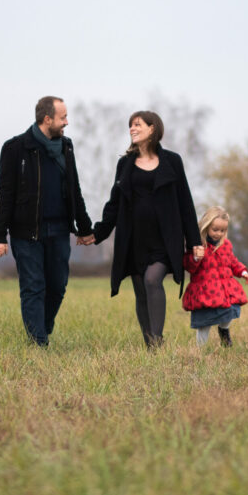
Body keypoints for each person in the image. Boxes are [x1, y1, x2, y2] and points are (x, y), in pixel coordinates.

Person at [91, 110, 203, 348]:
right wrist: (97, 233)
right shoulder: (125, 164)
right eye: (130, 125)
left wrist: (195, 241)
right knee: (141, 291)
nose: (132, 129)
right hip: (133, 240)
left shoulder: (172, 161)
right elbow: (114, 204)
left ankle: (158, 340)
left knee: (153, 280)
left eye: (138, 125)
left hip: (164, 239)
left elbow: (185, 202)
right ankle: (150, 345)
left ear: (153, 129)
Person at [0, 96, 94, 347]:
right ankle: (38, 342)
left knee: (57, 286)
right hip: (27, 232)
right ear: (47, 119)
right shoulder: (15, 148)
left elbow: (74, 189)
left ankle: (42, 329)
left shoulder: (66, 147)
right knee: (33, 286)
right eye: (63, 117)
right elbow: (5, 194)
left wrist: (85, 227)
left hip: (59, 230)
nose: (67, 122)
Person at [182, 206, 248, 347]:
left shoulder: (226, 244)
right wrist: (195, 258)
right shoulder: (197, 245)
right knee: (204, 322)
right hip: (205, 291)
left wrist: (242, 271)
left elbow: (232, 261)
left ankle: (223, 330)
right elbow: (189, 266)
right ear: (206, 226)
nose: (219, 234)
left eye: (223, 230)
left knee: (231, 311)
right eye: (215, 230)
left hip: (225, 289)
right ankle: (200, 350)